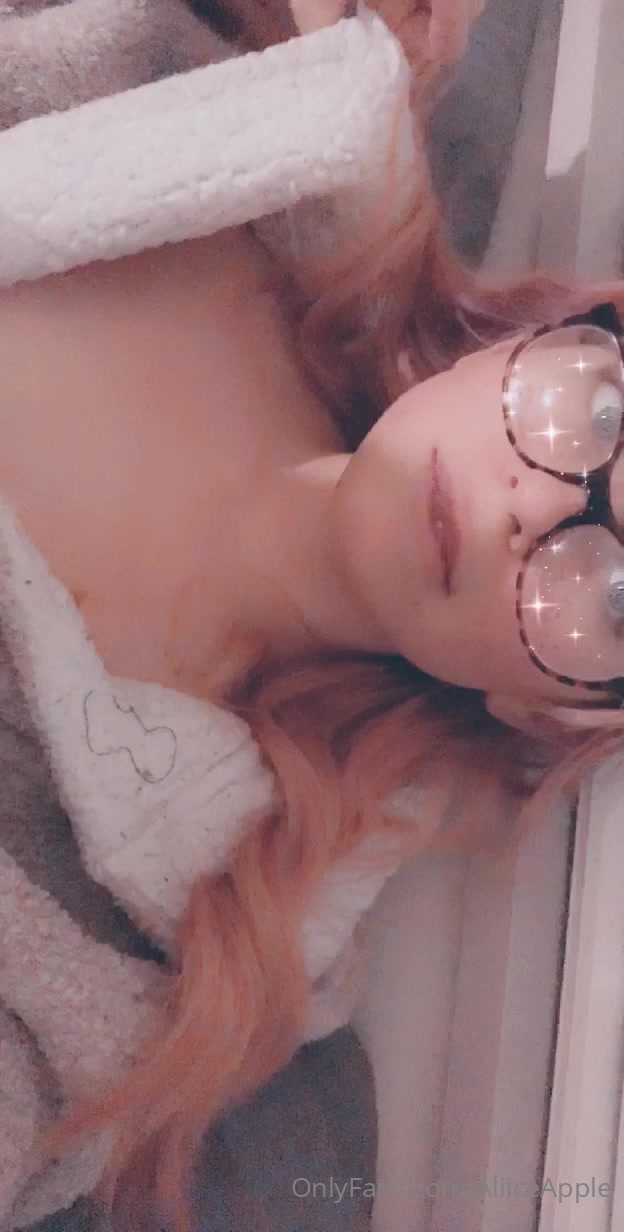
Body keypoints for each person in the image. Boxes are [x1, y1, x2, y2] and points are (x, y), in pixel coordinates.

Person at [2, 1, 624, 1230]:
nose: (535, 504)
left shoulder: (176, 927)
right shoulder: (230, 125)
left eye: (611, 593)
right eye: (599, 418)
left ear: (540, 703)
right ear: (535, 340)